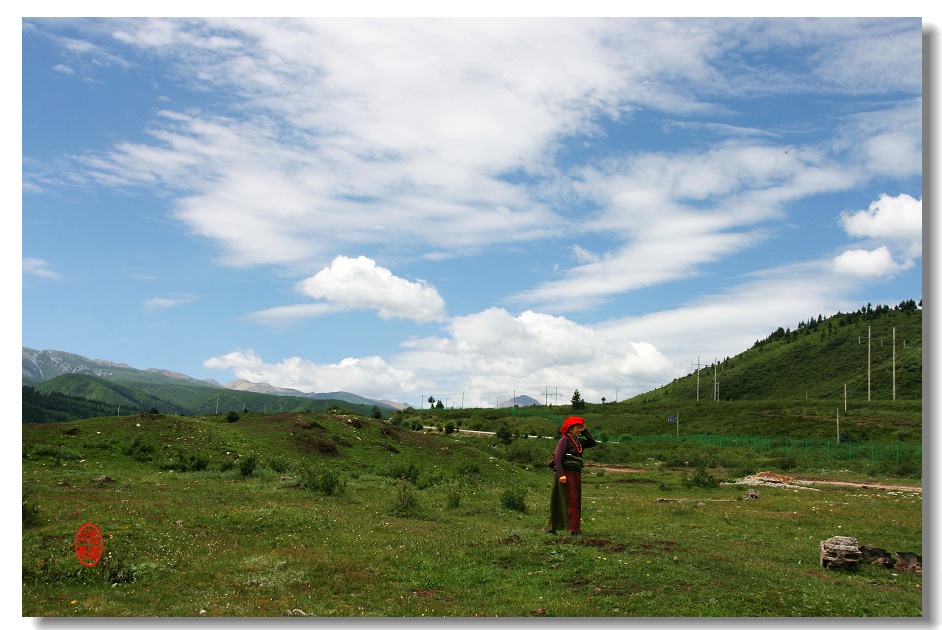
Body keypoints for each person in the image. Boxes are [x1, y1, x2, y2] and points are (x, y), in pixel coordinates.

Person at [546, 416, 596, 536]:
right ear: (570, 428)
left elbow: (592, 442)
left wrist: (585, 431)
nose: (579, 430)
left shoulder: (578, 441)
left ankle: (574, 528)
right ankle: (556, 528)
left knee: (575, 500)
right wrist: (561, 474)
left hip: (575, 474)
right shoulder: (564, 440)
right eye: (577, 427)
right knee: (562, 500)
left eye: (580, 427)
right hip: (565, 474)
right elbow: (558, 458)